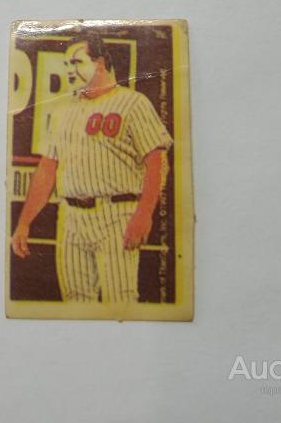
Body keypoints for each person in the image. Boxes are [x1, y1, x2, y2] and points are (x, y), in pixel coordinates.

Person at [11, 31, 173, 303]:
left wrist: (144, 213)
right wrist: (24, 222)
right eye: (67, 64)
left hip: (117, 213)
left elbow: (156, 162)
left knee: (120, 300)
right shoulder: (63, 110)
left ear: (99, 63)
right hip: (71, 217)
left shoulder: (132, 103)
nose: (69, 70)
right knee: (74, 302)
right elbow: (47, 169)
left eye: (76, 62)